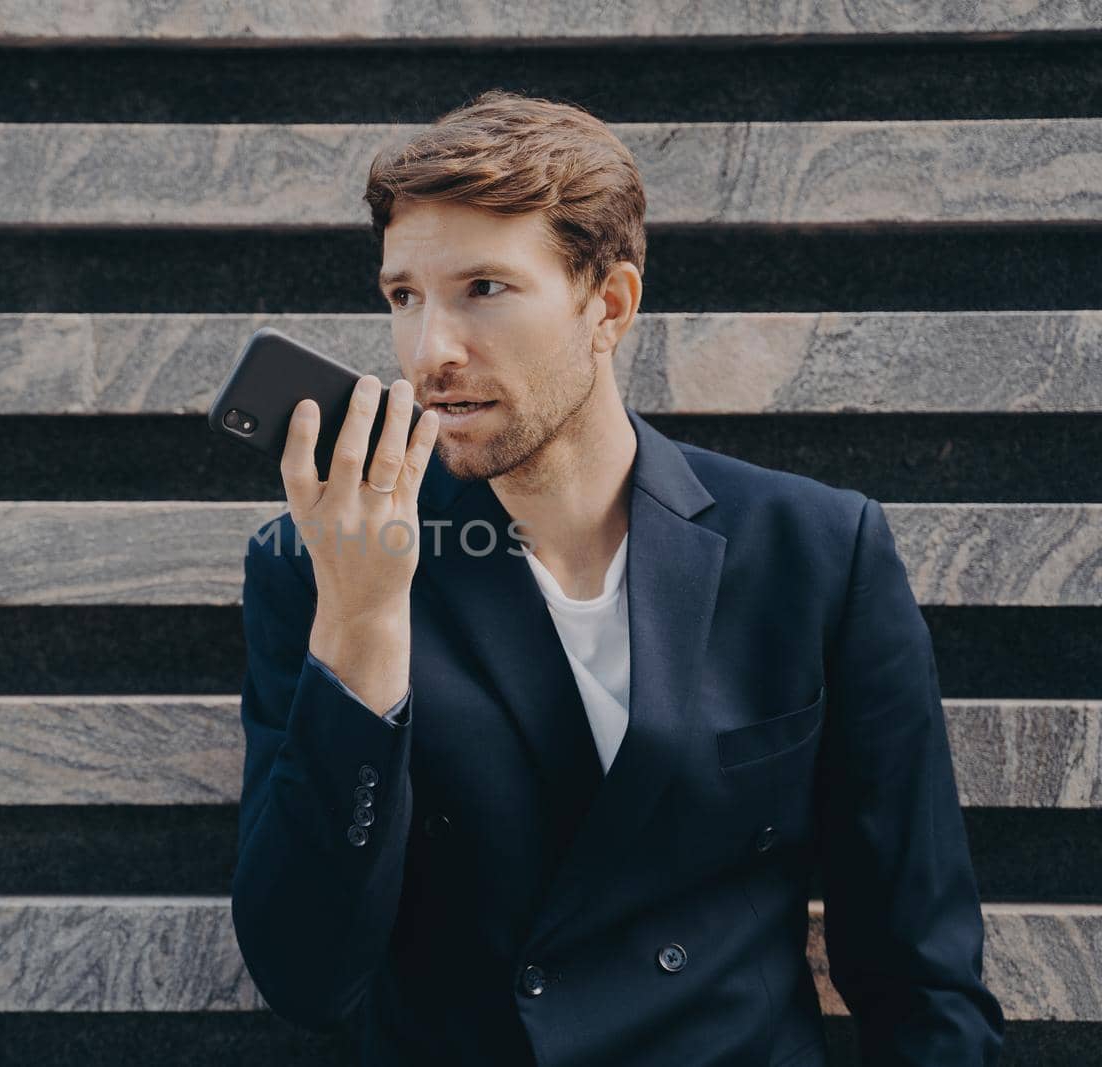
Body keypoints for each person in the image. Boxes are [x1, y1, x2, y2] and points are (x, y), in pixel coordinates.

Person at [229, 89, 1005, 1065]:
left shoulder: (813, 550)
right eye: (403, 296)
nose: (429, 353)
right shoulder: (311, 566)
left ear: (609, 305)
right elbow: (307, 976)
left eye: (484, 288)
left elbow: (921, 973)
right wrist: (363, 623)